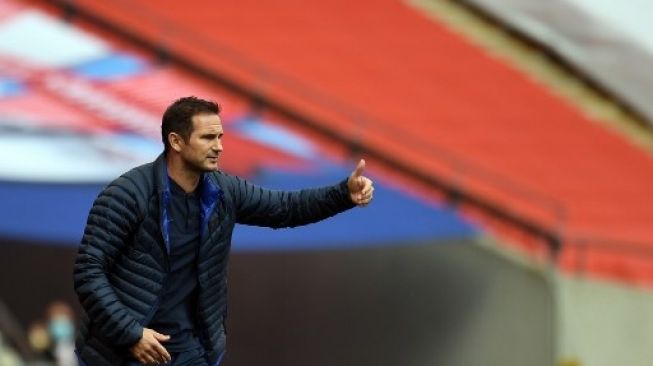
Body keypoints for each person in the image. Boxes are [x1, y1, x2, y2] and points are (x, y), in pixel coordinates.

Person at [73, 96, 374, 366]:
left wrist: (343, 194)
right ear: (176, 142)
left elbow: (285, 208)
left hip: (189, 350)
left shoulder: (223, 191)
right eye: (208, 137)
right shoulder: (127, 194)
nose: (219, 146)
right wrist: (131, 334)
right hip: (123, 351)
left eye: (220, 136)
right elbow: (89, 271)